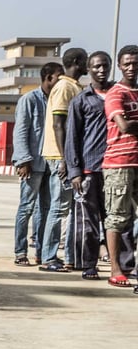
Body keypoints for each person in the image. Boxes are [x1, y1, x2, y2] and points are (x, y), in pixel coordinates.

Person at [64, 51, 130, 281]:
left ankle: (122, 265)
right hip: (90, 168)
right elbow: (72, 137)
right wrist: (75, 171)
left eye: (105, 66)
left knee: (119, 219)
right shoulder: (81, 100)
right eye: (96, 67)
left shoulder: (119, 95)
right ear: (89, 69)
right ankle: (89, 264)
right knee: (89, 222)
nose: (101, 70)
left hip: (118, 167)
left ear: (112, 67)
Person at [39, 47, 88, 272]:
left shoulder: (75, 86)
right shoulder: (64, 87)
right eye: (86, 61)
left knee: (69, 210)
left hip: (70, 156)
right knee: (59, 208)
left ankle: (69, 257)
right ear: (77, 62)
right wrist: (65, 158)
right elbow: (59, 124)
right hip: (60, 156)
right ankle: (49, 257)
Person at [12, 62, 64, 266]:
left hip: (51, 164)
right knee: (26, 208)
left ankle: (42, 253)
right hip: (32, 163)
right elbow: (21, 131)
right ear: (48, 77)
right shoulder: (29, 100)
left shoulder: (57, 100)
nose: (61, 81)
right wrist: (23, 160)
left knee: (46, 209)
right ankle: (20, 252)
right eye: (59, 77)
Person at [101, 45, 138, 288]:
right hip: (120, 164)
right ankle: (116, 269)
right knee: (117, 218)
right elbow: (123, 126)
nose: (132, 68)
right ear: (119, 65)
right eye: (127, 64)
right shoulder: (116, 94)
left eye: (135, 63)